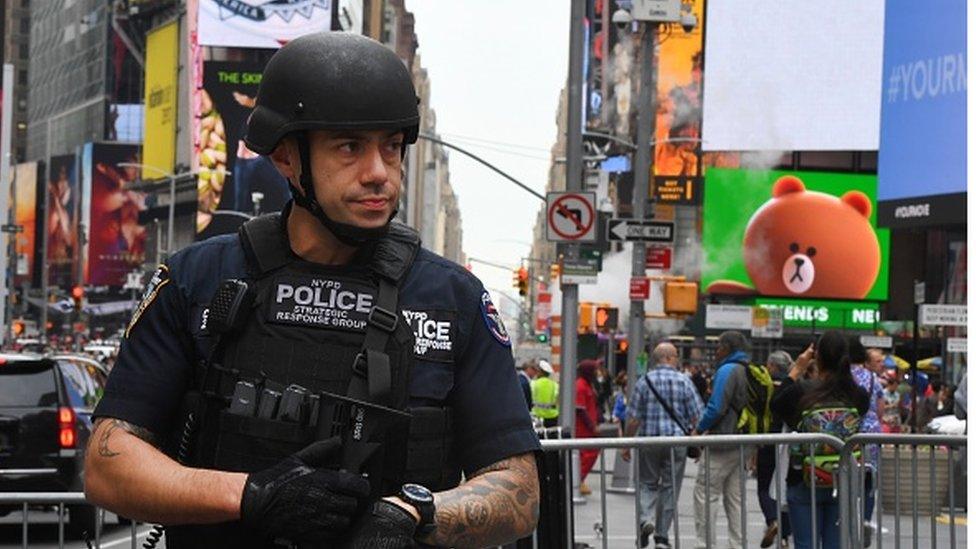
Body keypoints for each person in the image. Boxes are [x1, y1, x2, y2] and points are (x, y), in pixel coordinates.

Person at [84, 33, 540, 549]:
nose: (379, 173)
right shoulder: (198, 280)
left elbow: (519, 490)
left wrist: (413, 515)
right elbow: (107, 464)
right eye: (350, 147)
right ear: (285, 157)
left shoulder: (452, 298)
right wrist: (251, 495)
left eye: (391, 147)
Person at [771, 331, 870, 549]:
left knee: (806, 544)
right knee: (835, 544)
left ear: (819, 358)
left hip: (804, 476)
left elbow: (776, 404)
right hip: (842, 476)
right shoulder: (858, 394)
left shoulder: (802, 392)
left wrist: (797, 369)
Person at [623, 342, 703, 549]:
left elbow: (633, 419)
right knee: (670, 487)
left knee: (647, 483)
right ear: (668, 358)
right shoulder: (684, 381)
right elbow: (697, 416)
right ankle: (661, 536)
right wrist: (698, 442)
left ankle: (645, 519)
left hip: (649, 441)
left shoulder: (644, 382)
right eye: (675, 356)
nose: (677, 360)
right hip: (676, 442)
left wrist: (626, 444)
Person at [693, 331, 751, 549]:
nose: (716, 351)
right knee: (735, 499)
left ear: (727, 348)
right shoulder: (751, 370)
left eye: (718, 346)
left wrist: (699, 430)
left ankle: (705, 544)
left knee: (706, 494)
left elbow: (716, 406)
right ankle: (738, 544)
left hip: (722, 440)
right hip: (743, 442)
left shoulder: (727, 370)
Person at [848, 337, 884, 546]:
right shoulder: (872, 379)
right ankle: (866, 519)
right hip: (871, 433)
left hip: (848, 433)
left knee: (846, 478)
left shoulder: (841, 377)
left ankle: (847, 517)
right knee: (869, 481)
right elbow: (880, 409)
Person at [756, 351, 793, 549]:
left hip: (767, 439)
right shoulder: (793, 386)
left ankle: (772, 520)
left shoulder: (764, 385)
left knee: (764, 487)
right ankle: (785, 536)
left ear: (771, 366)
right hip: (787, 441)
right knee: (783, 489)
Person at [576, 359, 601, 496]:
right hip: (583, 428)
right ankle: (578, 479)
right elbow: (581, 409)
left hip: (588, 427)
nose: (597, 373)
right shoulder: (581, 386)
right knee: (587, 454)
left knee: (589, 453)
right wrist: (592, 426)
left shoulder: (587, 385)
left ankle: (580, 479)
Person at [531, 360, 560, 428]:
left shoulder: (533, 383)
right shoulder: (555, 385)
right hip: (552, 417)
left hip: (537, 416)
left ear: (541, 372)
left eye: (538, 371)